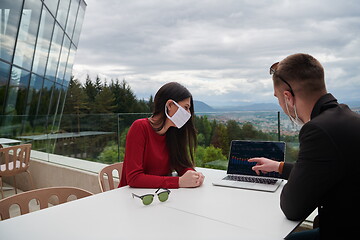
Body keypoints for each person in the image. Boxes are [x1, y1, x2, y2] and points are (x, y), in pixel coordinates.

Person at [248, 53, 360, 240]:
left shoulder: (317, 130)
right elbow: (325, 168)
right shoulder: (347, 117)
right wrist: (279, 167)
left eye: (277, 98)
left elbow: (292, 208)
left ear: (288, 97)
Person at [119, 82, 205, 189]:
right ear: (170, 105)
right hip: (130, 197)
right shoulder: (140, 128)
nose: (188, 114)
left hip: (158, 196)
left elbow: (182, 165)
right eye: (186, 107)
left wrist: (193, 175)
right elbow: (134, 178)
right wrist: (178, 182)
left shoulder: (173, 133)